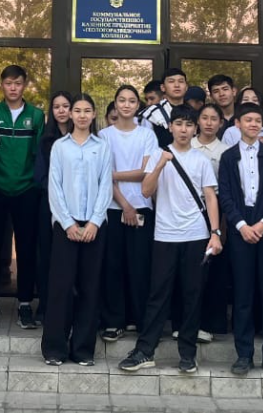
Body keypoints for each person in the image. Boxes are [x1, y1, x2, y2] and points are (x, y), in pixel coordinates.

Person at [118, 105, 222, 375]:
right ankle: (145, 351)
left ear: (195, 129)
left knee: (192, 295)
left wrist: (215, 232)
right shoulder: (158, 155)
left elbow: (210, 197)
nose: (183, 130)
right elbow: (146, 190)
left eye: (189, 125)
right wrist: (161, 164)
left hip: (196, 234)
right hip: (165, 235)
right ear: (170, 127)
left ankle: (188, 354)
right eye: (179, 124)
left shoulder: (200, 159)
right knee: (158, 294)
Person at [218, 105, 263, 378]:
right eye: (248, 119)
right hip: (240, 228)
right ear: (237, 123)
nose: (253, 124)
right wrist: (240, 225)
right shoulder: (228, 157)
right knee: (243, 293)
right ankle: (244, 354)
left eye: (258, 120)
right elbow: (225, 195)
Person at [42, 94, 112, 367]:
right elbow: (54, 186)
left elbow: (105, 185)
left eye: (87, 111)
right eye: (77, 111)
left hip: (95, 225)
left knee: (89, 287)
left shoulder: (102, 147)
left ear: (94, 115)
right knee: (60, 287)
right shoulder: (60, 147)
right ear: (70, 115)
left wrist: (94, 222)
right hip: (65, 225)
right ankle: (54, 348)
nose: (82, 115)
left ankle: (83, 349)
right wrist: (68, 223)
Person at [0, 65, 45, 329]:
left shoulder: (37, 115)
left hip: (26, 189)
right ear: (1, 85)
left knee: (27, 249)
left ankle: (24, 304)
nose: (13, 87)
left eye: (18, 83)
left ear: (24, 85)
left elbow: (38, 154)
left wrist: (34, 184)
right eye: (8, 83)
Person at [99, 84, 159, 341]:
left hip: (142, 206)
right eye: (121, 100)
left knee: (140, 265)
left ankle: (140, 320)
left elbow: (146, 172)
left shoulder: (147, 135)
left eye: (132, 101)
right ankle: (114, 321)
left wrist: (113, 173)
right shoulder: (104, 135)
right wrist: (125, 205)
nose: (126, 105)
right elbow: (102, 177)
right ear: (115, 104)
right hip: (113, 208)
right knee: (112, 265)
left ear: (138, 105)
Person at [191, 102, 230, 340]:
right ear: (197, 121)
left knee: (214, 268)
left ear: (221, 123)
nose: (208, 123)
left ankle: (211, 324)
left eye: (214, 119)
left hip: (215, 210)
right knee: (191, 268)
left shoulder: (226, 151)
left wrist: (221, 224)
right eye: (204, 118)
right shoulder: (187, 145)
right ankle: (187, 322)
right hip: (186, 210)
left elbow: (226, 189)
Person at [34, 91, 72, 323]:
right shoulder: (46, 140)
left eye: (65, 106)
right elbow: (40, 176)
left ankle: (71, 306)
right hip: (49, 204)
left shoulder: (85, 139)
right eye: (56, 106)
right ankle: (45, 306)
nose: (61, 111)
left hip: (77, 206)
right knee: (47, 255)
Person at [140, 68, 188, 147]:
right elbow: (145, 146)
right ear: (163, 87)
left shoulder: (194, 113)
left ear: (186, 87)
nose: (177, 85)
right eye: (171, 81)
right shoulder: (152, 114)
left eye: (181, 81)